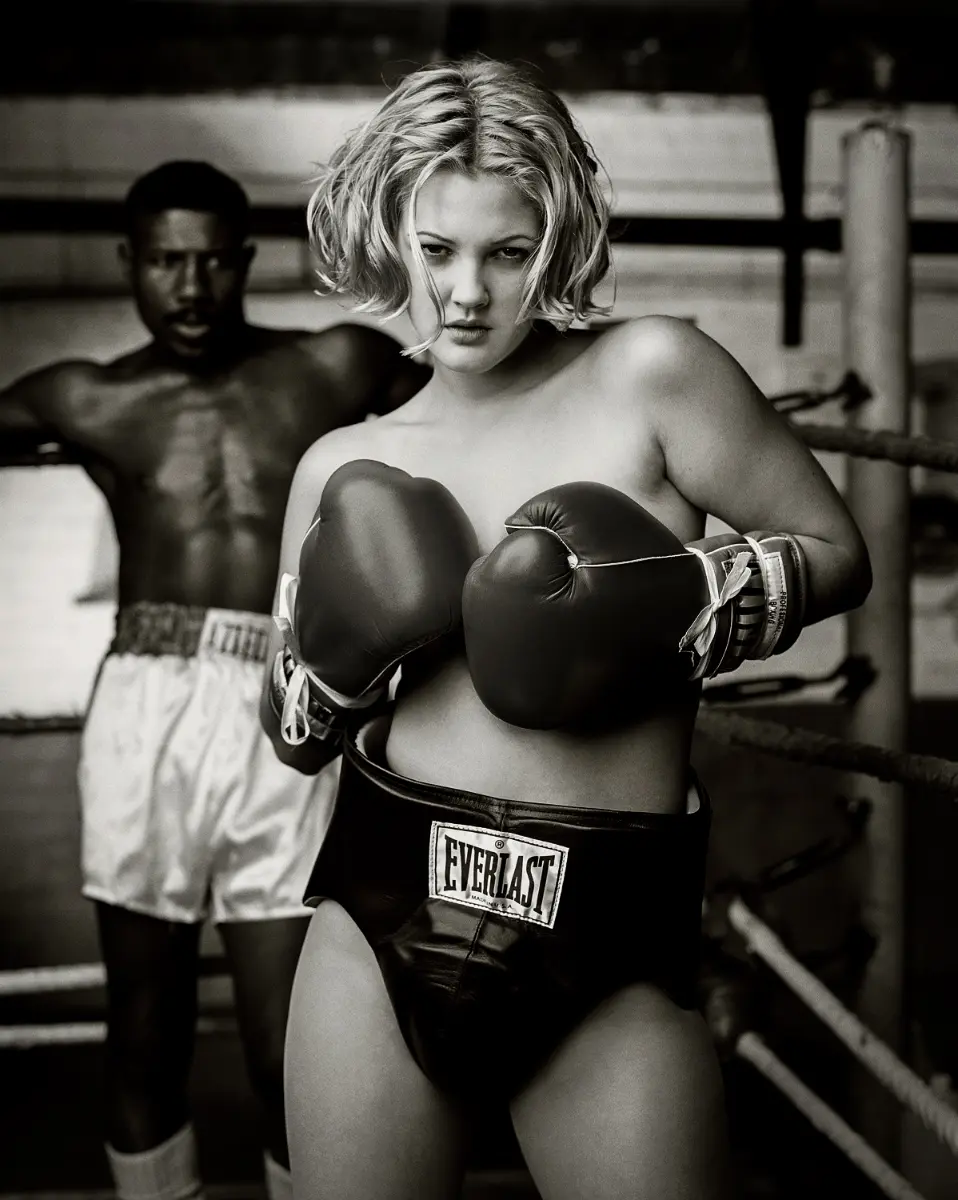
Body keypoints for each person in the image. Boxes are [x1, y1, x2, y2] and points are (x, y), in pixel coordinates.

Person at [260, 58, 872, 1200]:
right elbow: (294, 735)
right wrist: (339, 659)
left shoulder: (652, 373)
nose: (467, 292)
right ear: (391, 233)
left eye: (507, 252)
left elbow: (838, 552)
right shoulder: (342, 463)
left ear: (555, 242)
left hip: (606, 929)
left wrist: (684, 599)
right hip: (381, 915)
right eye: (437, 249)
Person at [0, 161, 429, 1200]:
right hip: (142, 711)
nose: (188, 288)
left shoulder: (336, 365)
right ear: (130, 264)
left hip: (289, 706)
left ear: (242, 261)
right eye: (163, 263)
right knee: (146, 1029)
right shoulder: (91, 395)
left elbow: (487, 411)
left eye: (208, 263)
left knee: (290, 1046)